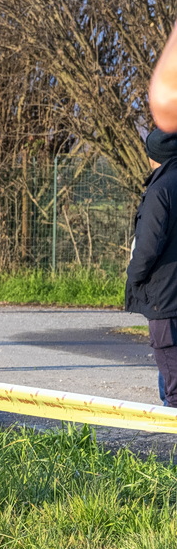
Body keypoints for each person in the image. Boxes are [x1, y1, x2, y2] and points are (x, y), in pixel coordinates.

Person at [126, 128, 177, 406]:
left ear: (153, 156)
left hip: (165, 297)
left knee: (173, 387)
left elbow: (148, 246)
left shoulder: (160, 190)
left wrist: (134, 277)